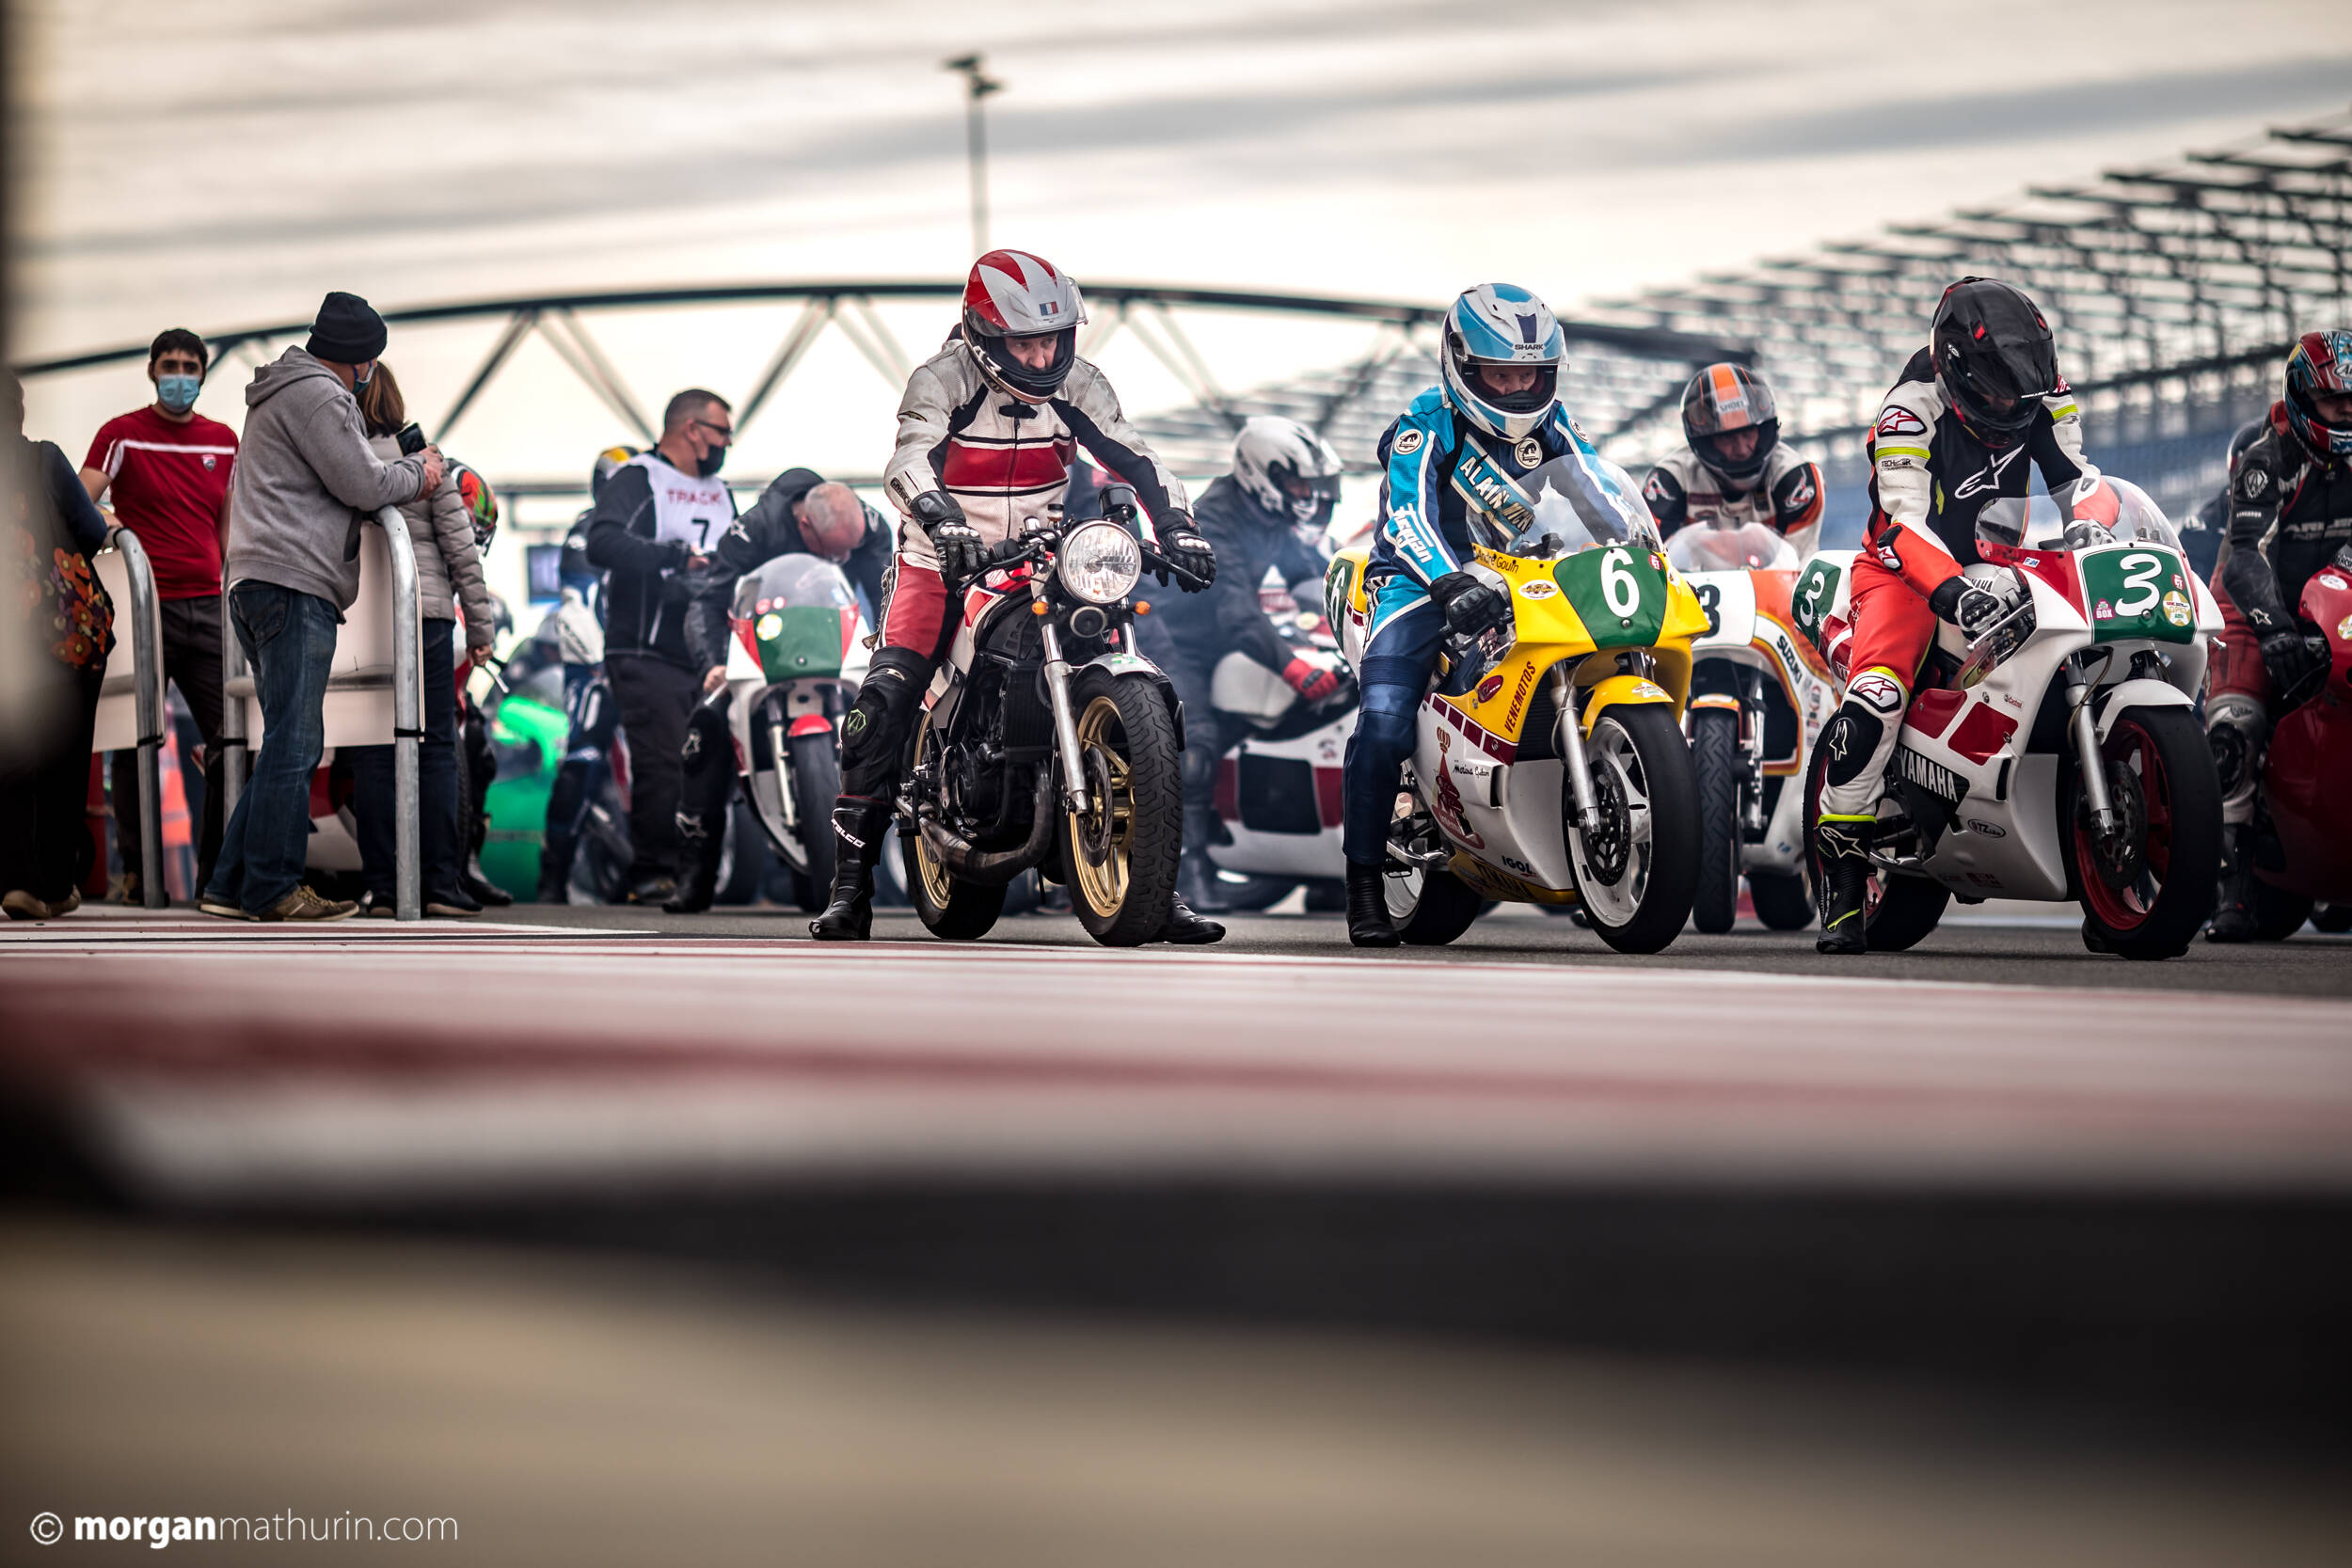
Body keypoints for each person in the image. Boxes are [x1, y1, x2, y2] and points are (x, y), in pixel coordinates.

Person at [811, 247, 1220, 942]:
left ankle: (1155, 883)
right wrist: (942, 522)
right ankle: (851, 889)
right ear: (985, 334)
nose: (1039, 358)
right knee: (887, 696)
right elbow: (908, 458)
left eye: (1052, 341)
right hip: (939, 556)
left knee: (1120, 647)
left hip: (1044, 553)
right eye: (1024, 343)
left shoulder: (1082, 384)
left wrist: (1179, 527)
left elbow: (1135, 453)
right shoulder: (941, 379)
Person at [1341, 283, 1642, 948]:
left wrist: (1639, 552)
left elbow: (1595, 491)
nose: (1516, 388)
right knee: (1387, 720)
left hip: (1528, 577)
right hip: (1420, 580)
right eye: (1502, 374)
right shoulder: (1426, 423)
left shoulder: (1556, 423)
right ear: (1464, 367)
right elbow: (1409, 514)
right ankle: (1362, 880)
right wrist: (1448, 581)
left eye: (1529, 374)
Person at [1814, 277, 2089, 954]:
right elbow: (1905, 522)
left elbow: (2082, 481)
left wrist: (2094, 531)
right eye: (1996, 394)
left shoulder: (2043, 395)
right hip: (1905, 570)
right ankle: (1845, 875)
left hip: (2008, 557)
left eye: (2019, 392)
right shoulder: (1908, 412)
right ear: (1957, 370)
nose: (2008, 406)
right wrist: (1950, 589)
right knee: (1878, 693)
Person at [199, 292, 444, 923]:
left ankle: (228, 884)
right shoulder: (319, 394)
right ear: (362, 360)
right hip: (293, 580)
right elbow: (362, 481)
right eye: (370, 362)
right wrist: (420, 472)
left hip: (259, 579)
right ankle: (274, 888)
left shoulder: (279, 391)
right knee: (295, 741)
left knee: (283, 734)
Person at [1136, 416, 1343, 914]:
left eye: (1310, 485)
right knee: (1195, 743)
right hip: (1170, 637)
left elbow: (1316, 573)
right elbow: (1236, 610)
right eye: (1296, 483)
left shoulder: (1274, 521)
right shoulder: (1217, 516)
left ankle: (1328, 870)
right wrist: (1294, 668)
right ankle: (1186, 873)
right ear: (1260, 474)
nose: (1305, 495)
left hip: (1222, 641)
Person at [666, 470, 889, 913]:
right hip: (761, 649)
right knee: (705, 728)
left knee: (902, 714)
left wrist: (889, 647)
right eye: (835, 550)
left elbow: (889, 589)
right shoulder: (753, 530)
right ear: (805, 523)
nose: (846, 557)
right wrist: (712, 663)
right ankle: (697, 872)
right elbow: (707, 599)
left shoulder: (865, 526)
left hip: (838, 646)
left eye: (852, 548)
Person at [78, 327, 238, 903]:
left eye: (189, 366)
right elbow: (80, 496)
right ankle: (139, 875)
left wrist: (233, 592)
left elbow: (230, 526)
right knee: (138, 739)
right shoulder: (121, 434)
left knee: (234, 741)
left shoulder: (225, 441)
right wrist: (112, 525)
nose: (179, 375)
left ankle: (217, 879)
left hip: (211, 609)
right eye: (169, 365)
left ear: (202, 374)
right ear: (151, 371)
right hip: (146, 611)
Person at [2203, 328, 2352, 942]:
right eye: (2334, 401)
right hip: (2250, 606)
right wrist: (2276, 633)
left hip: (2334, 603)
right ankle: (2231, 889)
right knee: (2235, 724)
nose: (2346, 412)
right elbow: (2244, 558)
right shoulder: (2269, 457)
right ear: (2299, 397)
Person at [343, 363, 497, 916]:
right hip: (426, 619)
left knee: (371, 753)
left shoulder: (337, 463)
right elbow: (463, 556)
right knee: (434, 750)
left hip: (359, 623)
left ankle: (382, 888)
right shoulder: (432, 464)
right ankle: (440, 885)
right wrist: (481, 631)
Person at [583, 395, 737, 904]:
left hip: (708, 649)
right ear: (692, 430)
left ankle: (700, 876)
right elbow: (600, 543)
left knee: (709, 764)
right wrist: (673, 559)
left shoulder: (721, 491)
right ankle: (652, 873)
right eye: (720, 432)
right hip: (644, 648)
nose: (726, 443)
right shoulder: (639, 476)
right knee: (663, 759)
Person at [2, 372, 115, 920]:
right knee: (65, 758)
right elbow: (90, 532)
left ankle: (16, 879)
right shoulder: (44, 459)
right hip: (59, 632)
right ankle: (50, 883)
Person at [533, 447, 628, 902]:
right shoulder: (587, 528)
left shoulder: (656, 529)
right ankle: (554, 872)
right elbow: (577, 600)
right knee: (582, 756)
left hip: (644, 664)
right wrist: (599, 660)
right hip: (594, 665)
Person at [1641, 363, 1826, 557]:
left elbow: (1800, 565)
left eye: (1748, 433)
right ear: (1706, 441)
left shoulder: (1798, 479)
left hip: (1777, 585)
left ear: (1763, 430)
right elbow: (1652, 562)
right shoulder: (1668, 482)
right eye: (1727, 437)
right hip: (1692, 585)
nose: (1741, 448)